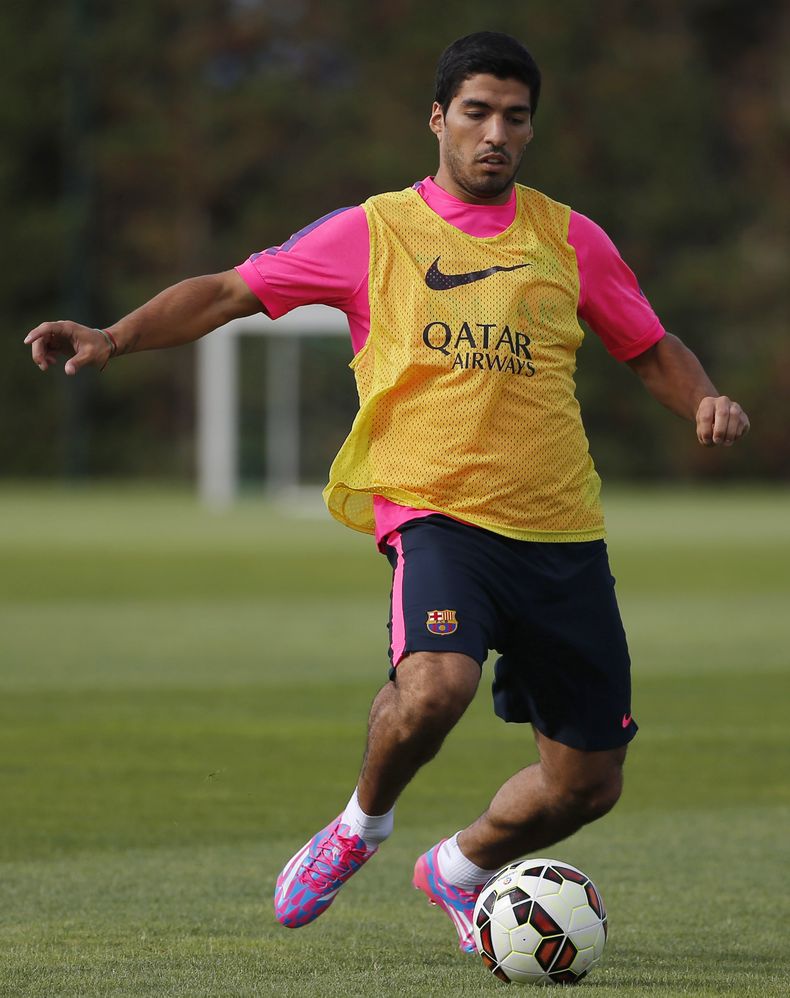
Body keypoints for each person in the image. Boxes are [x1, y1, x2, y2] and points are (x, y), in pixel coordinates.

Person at [25, 31, 749, 954]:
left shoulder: (570, 238)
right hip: (436, 513)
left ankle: (458, 867)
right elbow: (227, 291)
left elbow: (648, 345)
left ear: (531, 129)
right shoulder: (372, 230)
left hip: (561, 530)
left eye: (515, 117)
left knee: (587, 787)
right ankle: (358, 826)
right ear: (438, 119)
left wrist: (706, 397)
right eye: (478, 112)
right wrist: (113, 337)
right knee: (435, 685)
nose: (496, 133)